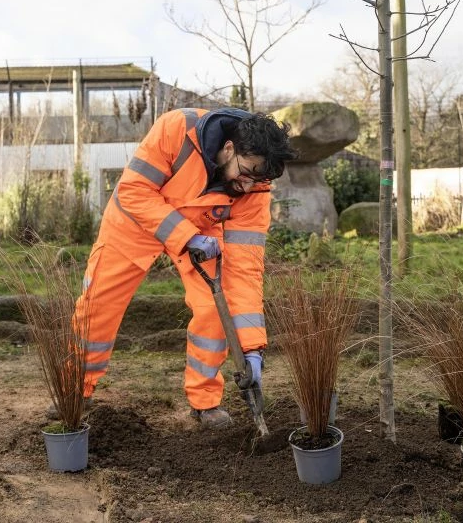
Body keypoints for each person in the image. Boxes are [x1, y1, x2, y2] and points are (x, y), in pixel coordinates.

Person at [56, 107, 297, 429]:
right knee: (98, 306)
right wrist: (185, 235)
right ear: (229, 149)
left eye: (260, 179)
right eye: (247, 171)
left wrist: (253, 349)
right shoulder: (177, 129)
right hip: (135, 223)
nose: (249, 186)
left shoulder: (256, 191)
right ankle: (76, 391)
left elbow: (245, 271)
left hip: (205, 230)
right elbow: (134, 190)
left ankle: (205, 402)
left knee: (215, 307)